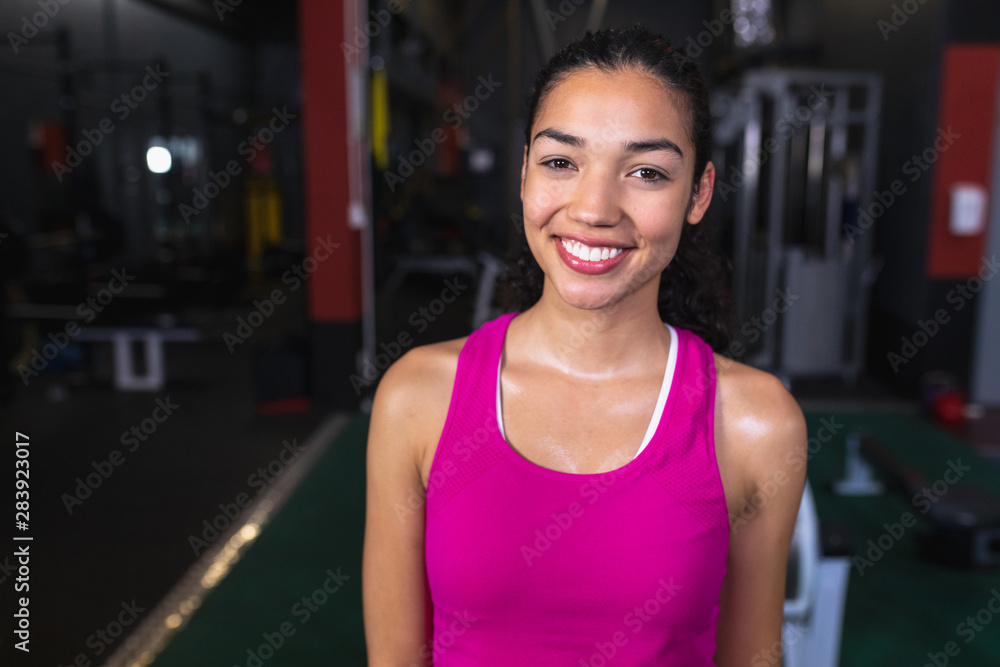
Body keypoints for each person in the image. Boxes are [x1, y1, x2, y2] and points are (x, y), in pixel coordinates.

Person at [363, 24, 807, 666]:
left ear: (699, 194)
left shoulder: (755, 423)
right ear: (523, 175)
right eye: (561, 162)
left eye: (647, 172)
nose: (594, 207)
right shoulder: (417, 397)